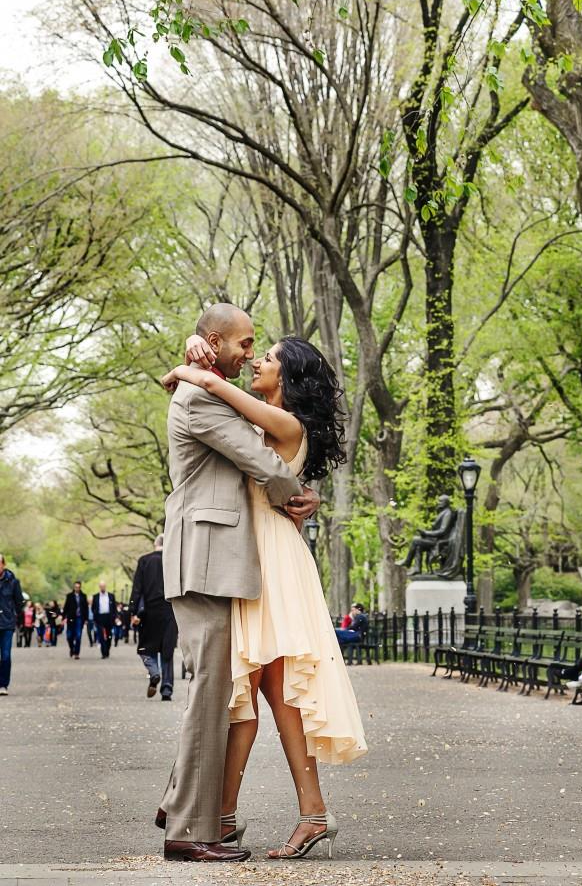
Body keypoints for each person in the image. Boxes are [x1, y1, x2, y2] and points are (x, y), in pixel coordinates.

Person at [160, 314, 367, 862]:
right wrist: (191, 357)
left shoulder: (281, 421)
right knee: (245, 694)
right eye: (252, 349)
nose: (256, 359)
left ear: (288, 379)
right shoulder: (268, 419)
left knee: (273, 693)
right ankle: (218, 812)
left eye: (267, 356)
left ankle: (304, 814)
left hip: (271, 558)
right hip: (252, 554)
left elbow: (217, 396)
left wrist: (196, 370)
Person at [130, 534, 178, 701]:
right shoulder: (174, 560)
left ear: (154, 544)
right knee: (167, 651)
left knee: (145, 648)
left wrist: (133, 612)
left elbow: (137, 589)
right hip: (170, 611)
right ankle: (167, 689)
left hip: (149, 612)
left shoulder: (144, 561)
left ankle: (154, 672)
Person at [0, 554, 24, 695]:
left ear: (3, 564)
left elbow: (19, 602)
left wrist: (14, 614)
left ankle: (3, 684)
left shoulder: (13, 582)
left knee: (6, 655)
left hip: (7, 623)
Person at [62, 581, 89, 659]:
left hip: (79, 618)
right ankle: (72, 648)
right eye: (75, 587)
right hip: (71, 618)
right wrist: (63, 617)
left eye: (78, 587)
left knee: (78, 635)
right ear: (73, 587)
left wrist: (86, 619)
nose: (77, 588)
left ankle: (76, 653)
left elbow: (86, 608)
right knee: (69, 636)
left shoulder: (83, 596)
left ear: (80, 587)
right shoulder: (69, 596)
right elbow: (66, 607)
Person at [92, 582, 117, 659]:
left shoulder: (111, 596)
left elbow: (114, 608)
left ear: (105, 586)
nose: (102, 588)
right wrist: (95, 616)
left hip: (109, 617)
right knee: (101, 636)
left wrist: (115, 617)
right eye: (101, 586)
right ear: (99, 587)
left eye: (103, 586)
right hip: (100, 617)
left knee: (109, 636)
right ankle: (103, 652)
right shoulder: (96, 596)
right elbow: (93, 608)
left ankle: (107, 649)